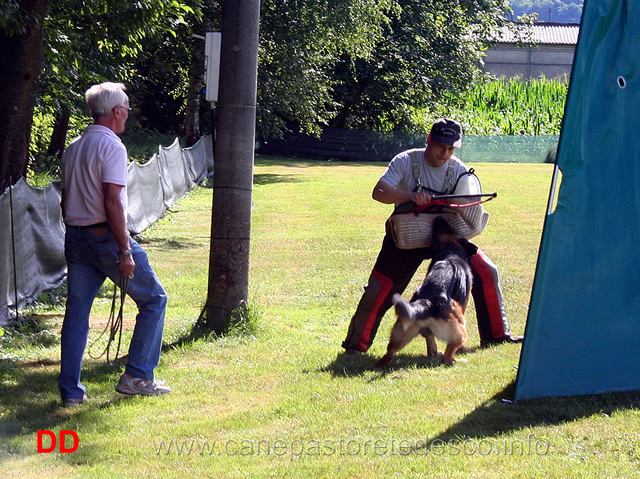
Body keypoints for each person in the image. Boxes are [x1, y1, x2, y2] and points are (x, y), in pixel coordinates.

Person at [342, 118, 523, 354]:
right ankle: (356, 346)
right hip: (407, 236)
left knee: (486, 271)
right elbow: (379, 192)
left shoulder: (459, 169)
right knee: (380, 287)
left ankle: (497, 337)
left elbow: (470, 206)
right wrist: (409, 196)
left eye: (450, 148)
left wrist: (462, 202)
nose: (445, 153)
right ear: (429, 140)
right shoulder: (406, 160)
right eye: (440, 146)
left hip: (444, 236)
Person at [59, 82, 171, 407]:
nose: (127, 115)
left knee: (77, 313)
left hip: (76, 235)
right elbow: (112, 201)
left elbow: (65, 197)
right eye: (126, 110)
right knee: (154, 300)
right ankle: (137, 377)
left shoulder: (74, 147)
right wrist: (124, 249)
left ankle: (70, 392)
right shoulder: (112, 147)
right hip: (104, 237)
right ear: (117, 111)